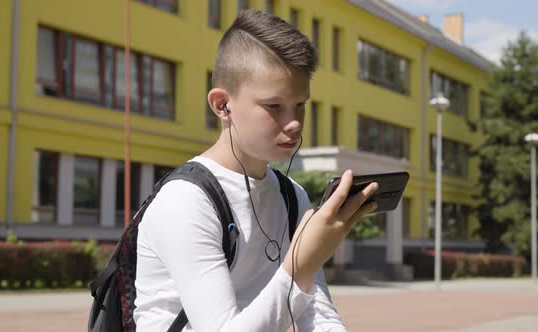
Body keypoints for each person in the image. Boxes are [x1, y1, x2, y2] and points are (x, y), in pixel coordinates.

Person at [133, 9, 378, 332]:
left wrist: (304, 270)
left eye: (301, 105)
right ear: (222, 105)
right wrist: (299, 265)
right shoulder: (185, 201)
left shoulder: (292, 196)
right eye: (274, 106)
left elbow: (316, 313)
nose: (293, 123)